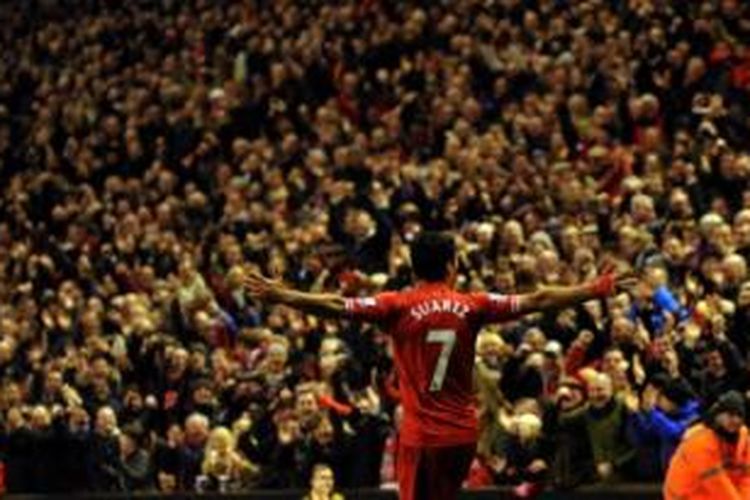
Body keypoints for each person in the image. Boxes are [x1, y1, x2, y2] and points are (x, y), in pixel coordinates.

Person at [244, 231, 634, 500]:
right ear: (451, 266)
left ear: (414, 269)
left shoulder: (394, 306)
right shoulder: (473, 304)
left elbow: (333, 305)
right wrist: (597, 288)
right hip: (463, 436)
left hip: (420, 438)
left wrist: (284, 295)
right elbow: (538, 298)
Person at [663, 391, 750, 500]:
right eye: (730, 414)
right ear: (717, 414)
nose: (736, 420)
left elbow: (746, 477)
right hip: (686, 495)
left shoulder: (744, 437)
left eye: (739, 415)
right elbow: (716, 483)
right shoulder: (701, 440)